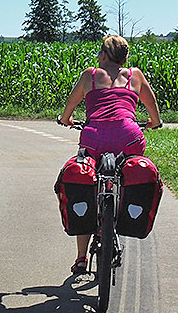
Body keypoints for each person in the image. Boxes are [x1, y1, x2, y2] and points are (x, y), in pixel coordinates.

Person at [58, 34, 162, 274]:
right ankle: (122, 212)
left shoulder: (90, 75)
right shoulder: (135, 75)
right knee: (128, 173)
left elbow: (71, 104)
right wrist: (154, 122)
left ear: (103, 55)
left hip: (94, 137)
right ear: (125, 57)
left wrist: (66, 120)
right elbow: (151, 104)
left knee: (85, 183)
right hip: (129, 137)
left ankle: (82, 257)